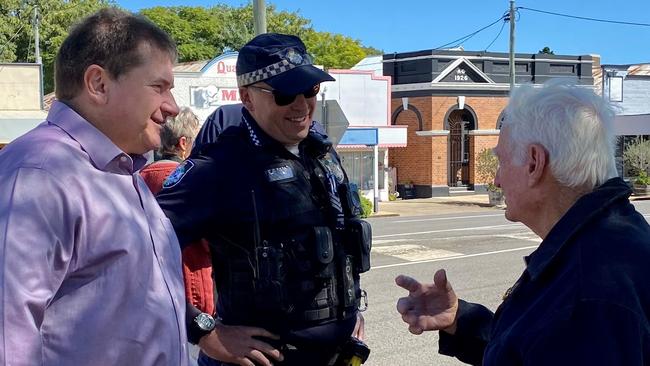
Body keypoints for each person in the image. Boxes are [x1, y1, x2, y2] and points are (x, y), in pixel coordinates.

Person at [395, 80, 650, 365]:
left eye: (501, 161)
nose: (496, 180)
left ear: (534, 163)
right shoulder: (611, 240)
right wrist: (461, 320)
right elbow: (539, 346)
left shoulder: (587, 296)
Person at [157, 33, 371, 366]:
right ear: (247, 97)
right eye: (285, 94)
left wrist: (346, 313)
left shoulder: (321, 153)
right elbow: (136, 256)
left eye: (310, 90)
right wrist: (203, 332)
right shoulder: (217, 168)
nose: (301, 105)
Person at [0, 8, 188, 365]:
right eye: (159, 87)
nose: (172, 106)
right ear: (98, 84)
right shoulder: (40, 173)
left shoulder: (120, 170)